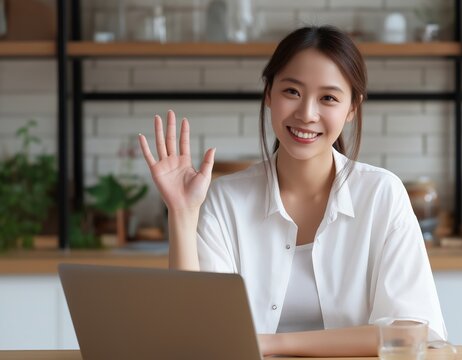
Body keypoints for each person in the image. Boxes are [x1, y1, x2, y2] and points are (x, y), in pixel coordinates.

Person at [138, 25, 446, 357]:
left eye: (328, 98)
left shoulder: (382, 194)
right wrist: (183, 213)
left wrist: (272, 343)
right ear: (269, 93)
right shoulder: (226, 200)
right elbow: (195, 331)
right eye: (292, 92)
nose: (306, 114)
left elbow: (410, 332)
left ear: (352, 109)